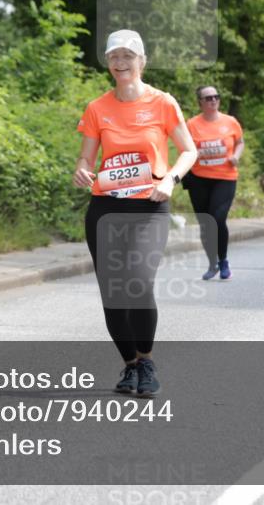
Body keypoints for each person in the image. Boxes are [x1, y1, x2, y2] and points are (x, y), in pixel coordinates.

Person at [74, 30, 197, 397]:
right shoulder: (98, 108)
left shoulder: (162, 103)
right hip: (106, 208)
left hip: (149, 205)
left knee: (139, 282)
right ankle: (129, 365)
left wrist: (171, 179)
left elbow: (188, 151)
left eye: (128, 55)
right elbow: (86, 157)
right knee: (113, 293)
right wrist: (81, 169)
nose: (121, 62)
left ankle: (146, 359)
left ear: (141, 61)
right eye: (114, 56)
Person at [185, 86, 244, 280]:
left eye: (216, 97)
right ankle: (212, 263)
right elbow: (184, 147)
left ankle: (224, 260)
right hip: (199, 178)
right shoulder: (192, 124)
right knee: (205, 223)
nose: (213, 100)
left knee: (217, 219)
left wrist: (236, 155)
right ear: (200, 102)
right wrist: (194, 154)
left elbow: (240, 142)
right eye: (208, 98)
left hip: (225, 177)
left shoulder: (230, 122)